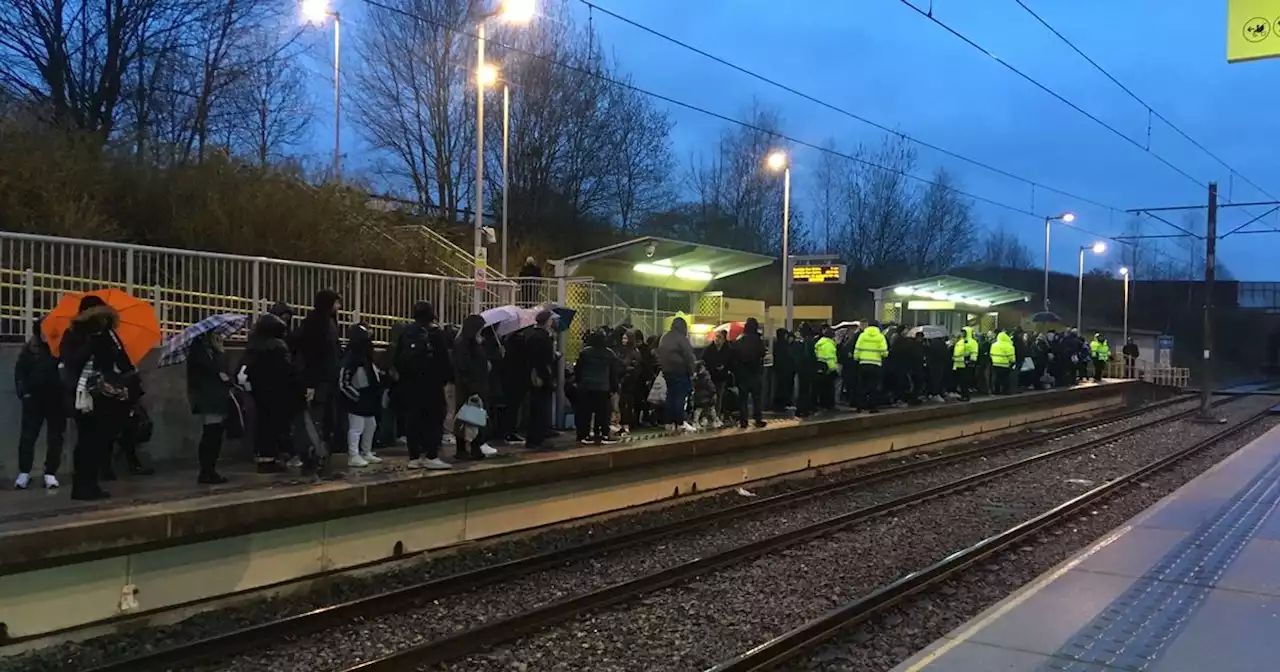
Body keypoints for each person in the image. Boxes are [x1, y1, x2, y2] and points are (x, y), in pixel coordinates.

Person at [59, 297, 141, 500]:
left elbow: (120, 361)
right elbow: (73, 362)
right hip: (83, 395)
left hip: (105, 396)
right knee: (86, 441)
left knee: (100, 441)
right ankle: (81, 486)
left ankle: (92, 483)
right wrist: (92, 344)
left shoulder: (109, 335)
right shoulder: (73, 335)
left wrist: (129, 378)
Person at [393, 301, 453, 469]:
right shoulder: (435, 334)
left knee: (413, 420)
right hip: (432, 385)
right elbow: (444, 361)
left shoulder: (406, 333)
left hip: (410, 385)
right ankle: (431, 455)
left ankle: (414, 457)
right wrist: (444, 379)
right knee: (434, 419)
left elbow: (397, 359)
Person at [244, 313, 305, 473]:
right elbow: (288, 371)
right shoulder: (278, 346)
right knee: (279, 426)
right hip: (279, 393)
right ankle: (281, 456)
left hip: (260, 393)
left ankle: (265, 459)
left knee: (263, 426)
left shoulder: (254, 346)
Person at [13, 318, 65, 490]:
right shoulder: (30, 349)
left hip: (56, 399)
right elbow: (20, 371)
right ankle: (24, 472)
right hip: (34, 398)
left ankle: (50, 473)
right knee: (28, 436)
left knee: (55, 437)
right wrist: (24, 393)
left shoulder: (60, 349)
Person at [293, 289, 342, 469]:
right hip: (318, 380)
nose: (339, 307)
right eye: (336, 303)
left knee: (326, 417)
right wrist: (310, 382)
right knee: (316, 417)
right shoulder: (315, 324)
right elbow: (312, 354)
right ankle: (311, 452)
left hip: (327, 379)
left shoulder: (327, 322)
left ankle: (321, 451)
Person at [187, 329, 232, 484]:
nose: (219, 337)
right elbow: (217, 371)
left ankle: (209, 470)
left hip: (214, 397)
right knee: (211, 435)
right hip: (209, 399)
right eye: (215, 334)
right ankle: (207, 471)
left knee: (214, 434)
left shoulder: (207, 351)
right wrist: (220, 353)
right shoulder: (201, 353)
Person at [338, 323, 384, 467]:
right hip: (358, 398)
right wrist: (355, 395)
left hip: (368, 397)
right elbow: (344, 380)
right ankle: (354, 454)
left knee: (371, 425)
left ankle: (366, 451)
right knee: (356, 427)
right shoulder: (352, 357)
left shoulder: (364, 357)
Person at [452, 314, 493, 460]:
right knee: (466, 418)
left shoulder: (475, 343)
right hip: (469, 386)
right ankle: (463, 448)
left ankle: (474, 447)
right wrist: (473, 387)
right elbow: (464, 367)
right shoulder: (463, 344)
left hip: (477, 385)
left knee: (475, 418)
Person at [574, 330, 621, 444]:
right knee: (603, 413)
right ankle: (603, 433)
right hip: (602, 387)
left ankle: (583, 435)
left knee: (585, 412)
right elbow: (613, 373)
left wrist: (579, 382)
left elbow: (578, 370)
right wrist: (613, 387)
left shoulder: (585, 353)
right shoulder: (609, 354)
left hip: (586, 386)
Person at [525, 311, 558, 450]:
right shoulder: (544, 337)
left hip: (533, 374)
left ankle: (533, 437)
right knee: (542, 408)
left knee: (535, 408)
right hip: (542, 376)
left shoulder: (531, 335)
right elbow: (545, 359)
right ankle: (538, 438)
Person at [658, 317, 697, 432]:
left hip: (667, 371)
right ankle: (680, 422)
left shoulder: (664, 338)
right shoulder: (681, 339)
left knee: (670, 396)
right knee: (680, 396)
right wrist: (692, 371)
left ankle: (669, 422)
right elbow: (689, 356)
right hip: (680, 371)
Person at [734, 318, 767, 429]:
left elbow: (735, 356)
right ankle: (758, 419)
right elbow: (763, 353)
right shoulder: (757, 340)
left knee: (743, 399)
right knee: (756, 398)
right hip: (755, 373)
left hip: (743, 375)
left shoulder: (740, 340)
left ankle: (744, 421)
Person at [853, 320, 888, 412]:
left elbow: (857, 349)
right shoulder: (880, 337)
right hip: (875, 365)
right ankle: (872, 407)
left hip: (863, 364)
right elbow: (884, 351)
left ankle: (860, 406)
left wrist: (857, 358)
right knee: (873, 387)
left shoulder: (862, 335)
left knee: (861, 386)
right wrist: (885, 354)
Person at [702, 330, 734, 428]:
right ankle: (706, 417)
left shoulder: (728, 349)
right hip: (710, 376)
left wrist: (725, 368)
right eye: (716, 337)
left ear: (724, 339)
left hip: (721, 377)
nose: (717, 339)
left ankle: (716, 416)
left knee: (719, 397)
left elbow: (730, 361)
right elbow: (704, 360)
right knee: (708, 397)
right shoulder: (709, 349)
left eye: (719, 337)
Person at [617, 330, 645, 435]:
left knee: (626, 403)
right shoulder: (626, 351)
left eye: (625, 338)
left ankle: (626, 424)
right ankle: (625, 424)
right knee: (624, 403)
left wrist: (624, 371)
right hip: (626, 380)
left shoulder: (632, 352)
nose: (623, 340)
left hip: (629, 381)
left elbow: (634, 367)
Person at [795, 323, 818, 417]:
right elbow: (810, 356)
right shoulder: (810, 341)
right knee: (806, 390)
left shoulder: (802, 341)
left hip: (802, 369)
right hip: (808, 369)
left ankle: (800, 409)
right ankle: (805, 410)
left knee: (802, 390)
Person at [815, 325, 839, 411]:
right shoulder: (829, 345)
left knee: (822, 388)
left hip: (820, 366)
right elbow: (830, 358)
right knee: (829, 388)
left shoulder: (820, 343)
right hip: (827, 368)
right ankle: (829, 405)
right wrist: (834, 369)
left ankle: (823, 404)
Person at [771, 328, 795, 412]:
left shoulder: (776, 344)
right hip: (785, 369)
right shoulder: (784, 345)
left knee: (779, 387)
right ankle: (780, 405)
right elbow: (789, 356)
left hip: (779, 369)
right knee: (783, 388)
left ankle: (778, 405)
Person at [990, 329, 1017, 395]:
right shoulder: (1009, 346)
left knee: (997, 378)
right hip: (1005, 364)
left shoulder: (994, 345)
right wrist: (1012, 362)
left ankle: (996, 390)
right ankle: (1005, 391)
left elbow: (991, 354)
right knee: (1005, 378)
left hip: (995, 364)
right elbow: (1011, 357)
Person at [691, 361, 718, 427]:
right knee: (711, 409)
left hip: (698, 396)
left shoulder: (695, 378)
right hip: (707, 396)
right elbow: (711, 386)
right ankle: (715, 421)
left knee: (698, 410)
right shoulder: (706, 377)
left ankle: (695, 422)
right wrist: (714, 392)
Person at [952, 328, 975, 402]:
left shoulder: (971, 342)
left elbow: (974, 352)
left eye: (963, 332)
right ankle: (963, 395)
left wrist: (971, 361)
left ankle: (966, 396)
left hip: (966, 365)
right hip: (958, 364)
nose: (962, 334)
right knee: (961, 382)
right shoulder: (960, 341)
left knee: (965, 382)